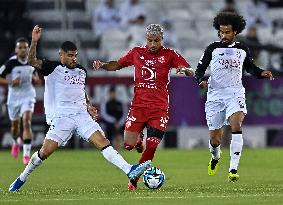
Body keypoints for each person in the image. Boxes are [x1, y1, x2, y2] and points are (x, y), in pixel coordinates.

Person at [8, 25, 151, 193]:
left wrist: (89, 105)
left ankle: (129, 170)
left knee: (103, 142)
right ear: (61, 55)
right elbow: (32, 61)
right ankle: (22, 178)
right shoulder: (51, 68)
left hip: (82, 115)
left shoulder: (81, 71)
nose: (73, 59)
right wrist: (34, 40)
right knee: (44, 152)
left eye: (75, 55)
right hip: (62, 118)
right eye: (70, 56)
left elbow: (81, 91)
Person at [93, 24, 194, 190]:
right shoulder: (136, 53)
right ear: (146, 39)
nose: (153, 44)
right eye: (150, 40)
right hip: (138, 107)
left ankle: (133, 180)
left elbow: (189, 69)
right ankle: (138, 140)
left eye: (156, 41)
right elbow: (117, 65)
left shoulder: (169, 55)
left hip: (159, 108)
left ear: (162, 39)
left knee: (152, 146)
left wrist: (184, 69)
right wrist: (103, 64)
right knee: (128, 145)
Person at [194, 12, 274, 182]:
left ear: (235, 32)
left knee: (236, 124)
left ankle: (233, 169)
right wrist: (201, 80)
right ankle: (215, 157)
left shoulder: (242, 49)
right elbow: (199, 69)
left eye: (227, 32)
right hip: (215, 96)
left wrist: (261, 73)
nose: (224, 35)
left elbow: (250, 68)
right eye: (221, 32)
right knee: (215, 139)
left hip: (235, 93)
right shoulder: (212, 48)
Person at [0, 37, 41, 165]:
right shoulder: (10, 63)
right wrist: (11, 82)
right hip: (13, 98)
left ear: (28, 49)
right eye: (20, 47)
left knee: (27, 122)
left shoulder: (31, 62)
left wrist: (36, 79)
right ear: (16, 50)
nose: (23, 49)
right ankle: (16, 141)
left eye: (25, 47)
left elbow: (35, 74)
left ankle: (26, 154)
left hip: (28, 96)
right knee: (15, 128)